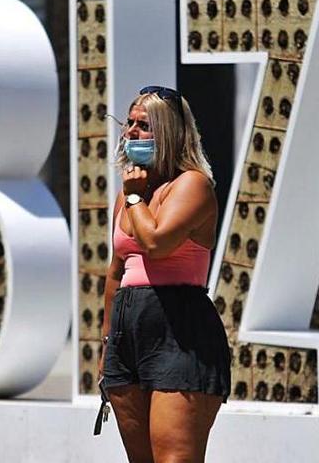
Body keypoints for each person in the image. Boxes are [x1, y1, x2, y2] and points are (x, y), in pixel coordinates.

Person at [98, 86, 231, 462]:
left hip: (180, 330)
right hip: (128, 334)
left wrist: (138, 197)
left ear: (169, 133)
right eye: (129, 124)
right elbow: (116, 269)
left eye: (143, 126)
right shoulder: (127, 196)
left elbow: (157, 243)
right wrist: (107, 344)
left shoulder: (193, 185)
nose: (130, 134)